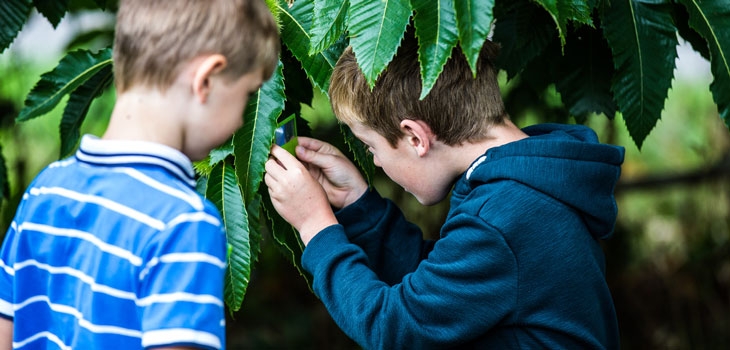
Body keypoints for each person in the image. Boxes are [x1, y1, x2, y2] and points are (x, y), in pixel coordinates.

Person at [264, 31, 624, 349]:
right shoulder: (524, 184)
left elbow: (396, 329)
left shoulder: (501, 218)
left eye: (371, 148)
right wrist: (358, 204)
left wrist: (315, 225)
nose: (373, 163)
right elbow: (440, 288)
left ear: (415, 137)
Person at [0, 0, 279, 348]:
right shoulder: (184, 224)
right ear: (205, 80)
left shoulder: (45, 191)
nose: (242, 121)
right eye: (247, 95)